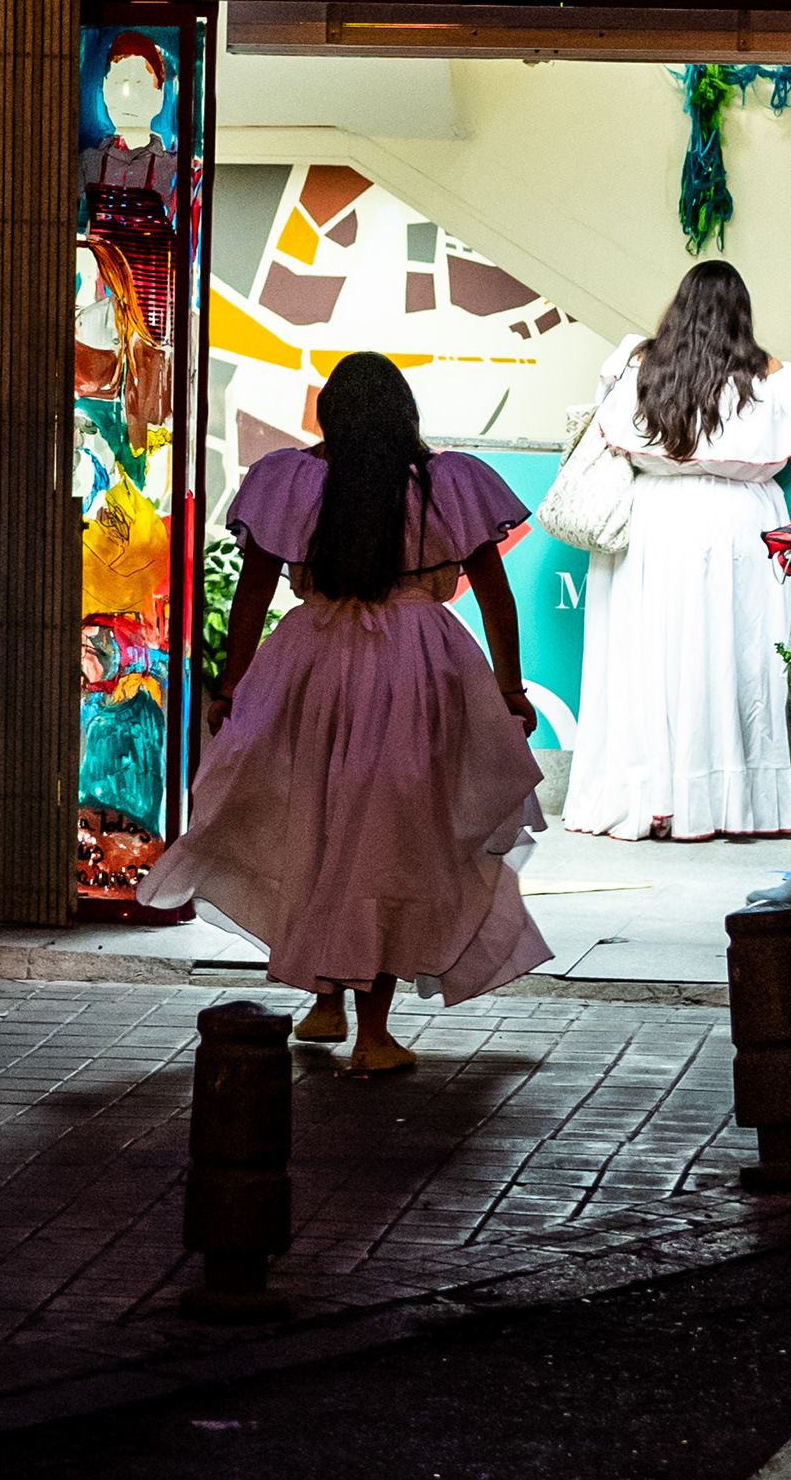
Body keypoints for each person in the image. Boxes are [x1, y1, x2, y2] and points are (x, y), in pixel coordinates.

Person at [138, 351, 549, 1071]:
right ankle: (375, 1035)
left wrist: (233, 687)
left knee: (319, 826)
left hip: (312, 667)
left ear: (329, 415)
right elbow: (495, 596)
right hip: (419, 672)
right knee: (391, 842)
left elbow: (253, 594)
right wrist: (510, 690)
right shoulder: (447, 484)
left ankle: (327, 999)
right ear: (404, 414)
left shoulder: (291, 482)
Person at [562, 259, 791, 844]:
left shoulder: (638, 368)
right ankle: (738, 802)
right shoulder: (775, 379)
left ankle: (654, 797)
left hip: (652, 522)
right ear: (742, 315)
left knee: (651, 661)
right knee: (738, 661)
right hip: (740, 525)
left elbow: (608, 430)